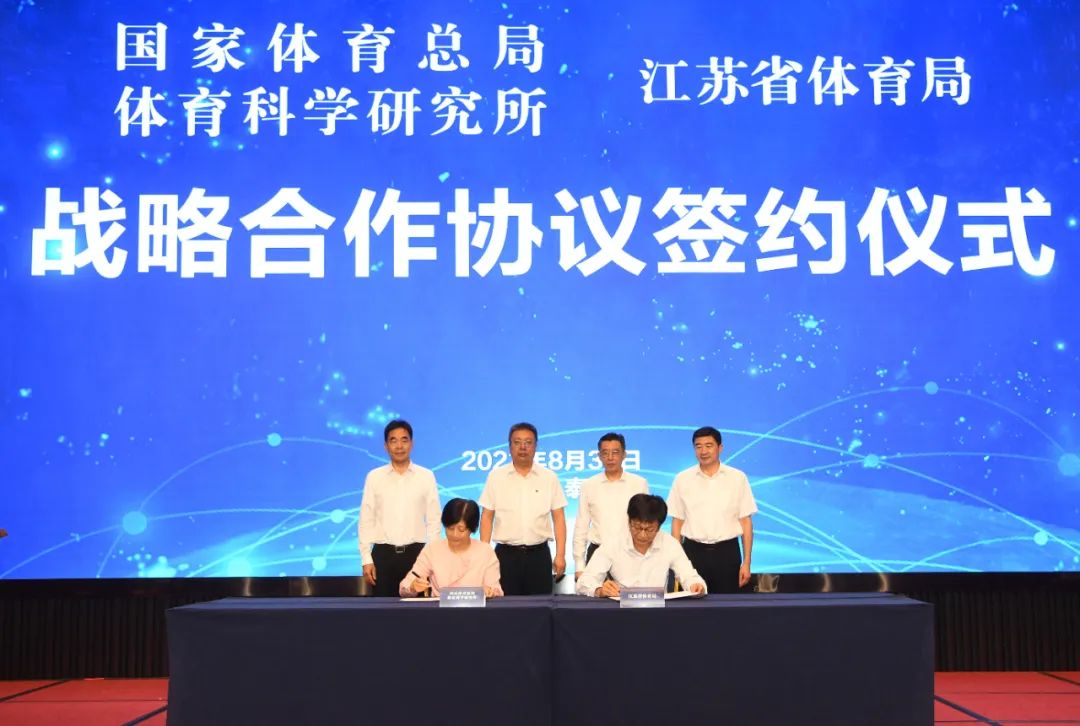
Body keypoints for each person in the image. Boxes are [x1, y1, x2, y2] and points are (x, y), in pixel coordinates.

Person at [479, 422, 568, 595]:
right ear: (509, 446)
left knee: (540, 607)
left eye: (528, 442)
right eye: (517, 442)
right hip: (505, 556)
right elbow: (487, 517)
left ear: (535, 446)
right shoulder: (496, 477)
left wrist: (560, 555)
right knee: (504, 607)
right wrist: (484, 555)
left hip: (539, 556)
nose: (523, 447)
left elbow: (559, 518)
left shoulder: (549, 477)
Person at [666, 426, 756, 594]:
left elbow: (746, 522)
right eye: (698, 446)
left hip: (727, 553)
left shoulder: (737, 478)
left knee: (727, 605)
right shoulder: (682, 479)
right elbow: (677, 522)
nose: (703, 451)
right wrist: (678, 563)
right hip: (693, 553)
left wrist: (747, 562)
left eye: (709, 446)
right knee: (692, 605)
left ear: (720, 448)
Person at [358, 420, 441, 597]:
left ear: (412, 443)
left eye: (404, 440)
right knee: (382, 611)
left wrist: (431, 559)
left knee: (417, 611)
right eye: (393, 440)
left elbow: (434, 520)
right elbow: (366, 519)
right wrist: (366, 558)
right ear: (386, 446)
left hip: (416, 556)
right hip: (383, 555)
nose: (399, 446)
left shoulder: (426, 476)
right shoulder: (374, 477)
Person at [576, 494, 706, 597]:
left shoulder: (670, 544)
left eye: (649, 529)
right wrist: (599, 590)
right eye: (637, 527)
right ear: (629, 521)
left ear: (659, 527)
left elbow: (688, 575)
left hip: (658, 611)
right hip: (621, 609)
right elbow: (584, 582)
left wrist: (695, 585)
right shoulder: (613, 543)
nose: (642, 535)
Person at [572, 432, 649, 580]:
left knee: (630, 596)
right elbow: (581, 525)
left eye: (615, 452)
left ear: (624, 455)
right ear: (599, 456)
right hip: (597, 553)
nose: (610, 457)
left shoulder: (639, 484)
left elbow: (646, 523)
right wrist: (579, 565)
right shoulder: (589, 485)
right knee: (595, 595)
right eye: (605, 453)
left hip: (630, 554)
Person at [400, 499, 503, 598]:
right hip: (440, 608)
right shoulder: (433, 549)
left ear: (472, 529)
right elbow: (405, 586)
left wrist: (490, 591)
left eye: (461, 530)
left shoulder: (485, 552)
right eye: (450, 528)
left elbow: (495, 589)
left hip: (476, 608)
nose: (455, 534)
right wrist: (412, 587)